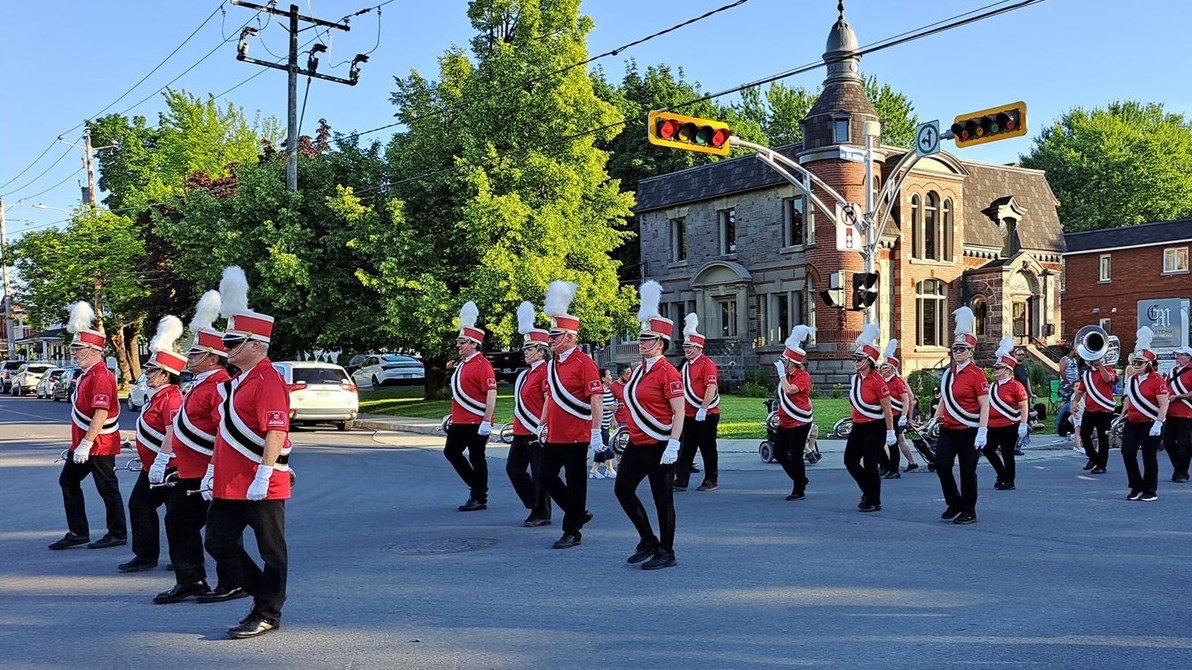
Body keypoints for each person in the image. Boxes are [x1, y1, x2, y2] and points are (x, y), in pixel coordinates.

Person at [202, 266, 293, 639]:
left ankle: (268, 612)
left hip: (260, 481)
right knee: (218, 542)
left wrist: (265, 472)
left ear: (254, 345)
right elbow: (225, 432)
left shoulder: (267, 379)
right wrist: (212, 469)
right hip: (230, 481)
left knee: (272, 551)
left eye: (231, 343)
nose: (225, 348)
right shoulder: (238, 380)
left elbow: (276, 428)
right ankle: (261, 597)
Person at [151, 290, 243, 604]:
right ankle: (191, 580)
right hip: (190, 471)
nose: (188, 358)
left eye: (195, 354)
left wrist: (214, 470)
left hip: (209, 472)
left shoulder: (219, 386)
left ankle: (232, 581)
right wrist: (165, 457)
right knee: (178, 523)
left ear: (213, 358)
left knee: (219, 532)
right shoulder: (199, 383)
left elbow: (225, 432)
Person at [614, 280, 684, 570]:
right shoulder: (640, 370)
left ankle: (667, 551)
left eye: (648, 340)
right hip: (638, 441)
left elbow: (679, 412)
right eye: (641, 339)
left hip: (659, 443)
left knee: (662, 499)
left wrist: (674, 444)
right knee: (622, 490)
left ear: (661, 344)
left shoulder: (668, 373)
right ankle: (647, 539)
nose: (642, 343)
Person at [49, 301, 127, 551]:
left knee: (107, 489)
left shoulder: (101, 375)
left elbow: (101, 412)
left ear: (94, 351)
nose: (73, 352)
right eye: (74, 347)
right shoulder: (85, 374)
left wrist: (86, 443)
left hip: (98, 444)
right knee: (68, 481)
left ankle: (117, 534)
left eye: (78, 348)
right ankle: (78, 532)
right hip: (83, 442)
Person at [117, 316, 186, 573]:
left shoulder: (171, 398)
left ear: (166, 375)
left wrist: (161, 460)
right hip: (154, 466)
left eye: (152, 371)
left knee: (174, 514)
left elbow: (171, 432)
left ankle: (180, 558)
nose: (147, 375)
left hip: (169, 467)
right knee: (141, 506)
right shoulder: (157, 395)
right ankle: (146, 555)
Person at [539, 280, 603, 550]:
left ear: (569, 337)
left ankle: (572, 530)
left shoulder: (584, 363)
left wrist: (597, 432)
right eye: (550, 336)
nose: (550, 340)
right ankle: (577, 512)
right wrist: (541, 424)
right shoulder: (552, 364)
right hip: (555, 433)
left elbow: (596, 398)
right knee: (545, 477)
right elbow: (550, 397)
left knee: (576, 484)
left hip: (577, 434)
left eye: (555, 336)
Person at [933, 307, 991, 525]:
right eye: (955, 349)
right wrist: (935, 418)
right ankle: (953, 503)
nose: (957, 352)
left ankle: (969, 510)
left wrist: (983, 431)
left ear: (970, 351)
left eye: (962, 349)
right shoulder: (948, 373)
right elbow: (944, 399)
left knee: (968, 471)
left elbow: (985, 404)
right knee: (941, 465)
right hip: (949, 428)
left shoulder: (977, 375)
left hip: (969, 430)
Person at [444, 301, 498, 512]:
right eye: (458, 341)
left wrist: (486, 420)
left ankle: (478, 492)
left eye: (462, 342)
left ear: (474, 344)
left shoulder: (483, 365)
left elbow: (491, 392)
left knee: (461, 453)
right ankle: (478, 492)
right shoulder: (463, 365)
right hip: (461, 419)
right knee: (462, 454)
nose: (458, 345)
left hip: (475, 420)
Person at [507, 301, 553, 527]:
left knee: (539, 473)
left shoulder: (545, 371)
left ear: (541, 351)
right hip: (521, 429)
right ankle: (533, 503)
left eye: (530, 349)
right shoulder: (526, 374)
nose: (525, 352)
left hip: (536, 430)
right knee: (513, 470)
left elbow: (548, 400)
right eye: (525, 348)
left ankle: (541, 512)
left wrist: (542, 426)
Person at [844, 323, 896, 513]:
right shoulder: (855, 379)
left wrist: (890, 431)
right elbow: (855, 403)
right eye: (855, 358)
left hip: (875, 426)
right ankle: (867, 490)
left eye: (860, 358)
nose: (856, 361)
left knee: (870, 463)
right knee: (850, 460)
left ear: (869, 361)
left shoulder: (878, 381)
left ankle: (874, 500)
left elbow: (887, 409)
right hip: (858, 426)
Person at [1120, 327, 1170, 502]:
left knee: (1149, 456)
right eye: (1134, 362)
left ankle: (1150, 489)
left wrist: (1158, 423)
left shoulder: (1157, 380)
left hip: (1150, 422)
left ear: (1148, 364)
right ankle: (1135, 486)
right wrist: (1122, 414)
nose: (1136, 365)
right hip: (1133, 422)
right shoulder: (1132, 380)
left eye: (1140, 363)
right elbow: (1129, 399)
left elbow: (1164, 404)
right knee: (1127, 452)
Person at [673, 313, 720, 492]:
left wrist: (703, 408)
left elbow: (711, 387)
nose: (686, 349)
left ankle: (711, 480)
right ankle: (681, 479)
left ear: (698, 348)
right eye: (685, 346)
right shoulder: (684, 365)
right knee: (686, 448)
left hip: (707, 413)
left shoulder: (707, 364)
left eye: (690, 347)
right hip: (689, 414)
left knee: (708, 448)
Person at [773, 325, 815, 500]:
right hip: (785, 420)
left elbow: (790, 391)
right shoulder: (787, 376)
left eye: (785, 360)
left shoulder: (802, 376)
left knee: (797, 454)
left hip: (799, 422)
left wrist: (782, 375)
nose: (782, 362)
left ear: (791, 362)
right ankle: (800, 479)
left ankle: (799, 489)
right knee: (779, 453)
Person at [984, 337, 1030, 491]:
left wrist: (1023, 424)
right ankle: (1001, 474)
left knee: (1007, 453)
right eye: (995, 368)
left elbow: (1024, 405)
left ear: (1007, 370)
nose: (995, 370)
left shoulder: (1016, 386)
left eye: (998, 368)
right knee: (988, 450)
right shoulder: (991, 386)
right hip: (992, 425)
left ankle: (1009, 480)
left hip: (1009, 425)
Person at [1072, 339, 1117, 474]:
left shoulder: (1109, 369)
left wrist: (1101, 365)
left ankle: (1101, 465)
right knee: (1085, 434)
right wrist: (1075, 403)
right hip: (1090, 409)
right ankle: (1093, 457)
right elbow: (1080, 391)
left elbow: (1108, 379)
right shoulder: (1086, 374)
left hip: (1105, 409)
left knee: (1103, 438)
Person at [878, 339, 917, 478]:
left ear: (892, 369)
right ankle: (885, 465)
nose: (883, 369)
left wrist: (904, 416)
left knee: (893, 442)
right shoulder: (881, 381)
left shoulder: (898, 382)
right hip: (884, 414)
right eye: (882, 367)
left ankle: (894, 469)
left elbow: (906, 399)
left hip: (895, 415)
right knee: (878, 441)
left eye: (886, 367)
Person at [1163, 346, 1192, 483]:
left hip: (1186, 412)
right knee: (1168, 442)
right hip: (1170, 411)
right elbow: (1167, 387)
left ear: (1188, 357)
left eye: (1181, 355)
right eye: (1177, 355)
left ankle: (1182, 472)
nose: (1177, 357)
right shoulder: (1172, 371)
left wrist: (1179, 396)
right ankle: (1179, 468)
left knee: (1183, 443)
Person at [589, 368, 618, 479]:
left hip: (606, 423)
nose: (611, 377)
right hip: (599, 424)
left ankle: (594, 470)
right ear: (602, 378)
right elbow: (594, 406)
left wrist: (613, 419)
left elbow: (611, 406)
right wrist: (608, 407)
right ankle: (609, 468)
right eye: (609, 375)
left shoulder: (609, 391)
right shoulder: (598, 391)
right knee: (606, 445)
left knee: (601, 447)